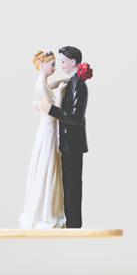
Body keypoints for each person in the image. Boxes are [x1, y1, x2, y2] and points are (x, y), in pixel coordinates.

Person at [19, 50, 68, 229]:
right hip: (48, 129)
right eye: (52, 64)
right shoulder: (39, 86)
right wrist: (62, 94)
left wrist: (62, 81)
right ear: (42, 65)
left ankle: (50, 209)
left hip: (50, 127)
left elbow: (49, 86)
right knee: (47, 164)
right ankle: (45, 213)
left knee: (51, 164)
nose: (55, 67)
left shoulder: (43, 83)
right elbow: (51, 108)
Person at [48, 46, 92, 229]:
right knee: (69, 184)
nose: (61, 65)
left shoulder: (78, 85)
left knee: (72, 185)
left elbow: (75, 118)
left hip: (72, 145)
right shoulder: (72, 82)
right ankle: (71, 222)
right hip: (68, 144)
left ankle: (74, 224)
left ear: (73, 62)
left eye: (64, 61)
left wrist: (51, 110)